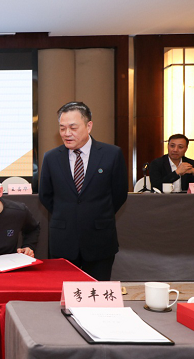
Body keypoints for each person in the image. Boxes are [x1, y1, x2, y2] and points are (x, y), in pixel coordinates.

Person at [39, 101, 128, 281]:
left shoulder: (112, 154)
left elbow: (119, 194)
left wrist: (95, 214)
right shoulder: (51, 157)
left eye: (73, 127)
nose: (66, 133)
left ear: (89, 126)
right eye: (62, 128)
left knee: (97, 292)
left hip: (99, 238)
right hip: (63, 239)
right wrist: (67, 214)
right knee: (63, 292)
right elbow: (45, 195)